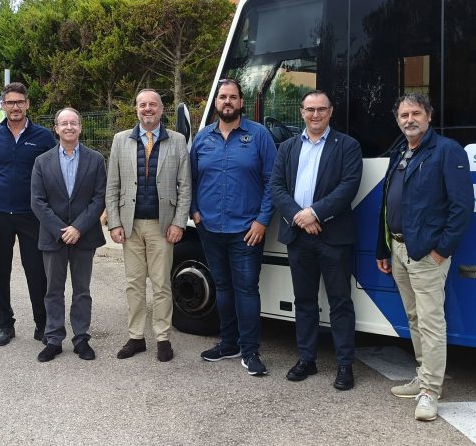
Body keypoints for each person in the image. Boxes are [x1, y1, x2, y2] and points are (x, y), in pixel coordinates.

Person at [376, 94, 473, 421]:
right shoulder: (400, 152)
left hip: (426, 252)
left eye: (415, 113)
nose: (409, 119)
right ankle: (423, 375)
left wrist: (440, 250)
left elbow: (462, 208)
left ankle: (430, 391)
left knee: (431, 322)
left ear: (428, 116)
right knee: (415, 317)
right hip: (400, 248)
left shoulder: (447, 151)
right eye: (403, 114)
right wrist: (384, 247)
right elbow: (388, 203)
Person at [270, 90, 363, 390]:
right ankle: (307, 359)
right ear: (301, 113)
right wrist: (300, 216)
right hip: (299, 236)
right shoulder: (286, 147)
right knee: (305, 302)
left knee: (340, 303)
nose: (315, 115)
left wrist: (316, 214)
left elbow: (348, 187)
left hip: (333, 236)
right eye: (310, 109)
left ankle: (345, 365)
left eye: (321, 109)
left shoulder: (348, 145)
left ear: (330, 112)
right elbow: (276, 186)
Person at [191, 79, 276, 376]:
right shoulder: (202, 139)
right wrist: (195, 213)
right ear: (216, 103)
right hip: (210, 227)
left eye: (233, 97)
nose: (227, 102)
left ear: (241, 102)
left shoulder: (259, 136)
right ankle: (228, 344)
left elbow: (272, 183)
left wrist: (262, 220)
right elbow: (190, 179)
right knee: (222, 288)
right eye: (222, 97)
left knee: (246, 290)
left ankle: (250, 350)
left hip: (246, 231)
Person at [106, 89, 191, 362]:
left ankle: (163, 338)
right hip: (130, 226)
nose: (147, 109)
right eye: (142, 105)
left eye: (152, 104)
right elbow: (113, 186)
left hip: (162, 226)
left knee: (162, 284)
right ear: (136, 110)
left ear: (161, 109)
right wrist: (114, 223)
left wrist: (179, 222)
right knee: (133, 284)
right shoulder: (121, 140)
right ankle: (136, 337)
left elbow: (185, 187)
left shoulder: (177, 141)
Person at [0, 82, 57, 346]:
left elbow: (51, 176)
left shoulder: (44, 137)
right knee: (0, 271)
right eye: (10, 102)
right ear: (3, 105)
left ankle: (42, 324)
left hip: (32, 215)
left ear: (27, 104)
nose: (15, 107)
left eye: (19, 102)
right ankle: (4, 325)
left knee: (36, 271)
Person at [30, 108, 107, 362]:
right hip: (53, 237)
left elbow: (99, 198)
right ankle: (53, 339)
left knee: (82, 290)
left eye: (73, 122)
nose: (69, 127)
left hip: (84, 235)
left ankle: (81, 338)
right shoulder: (42, 161)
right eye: (64, 123)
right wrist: (61, 230)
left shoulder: (95, 160)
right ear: (56, 128)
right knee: (53, 290)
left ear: (80, 127)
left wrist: (78, 228)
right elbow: (37, 202)